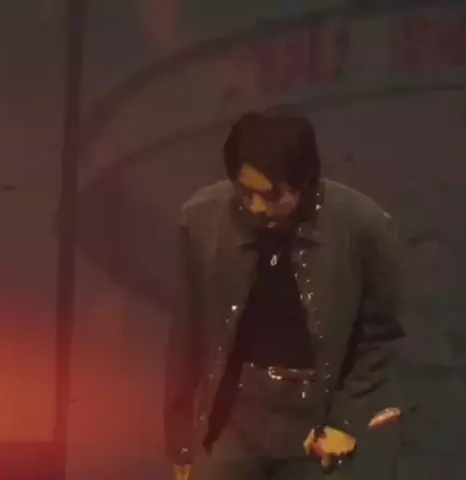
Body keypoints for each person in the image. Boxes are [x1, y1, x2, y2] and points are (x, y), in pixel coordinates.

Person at [164, 106, 407, 479]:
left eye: (269, 194)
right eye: (244, 193)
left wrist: (346, 420)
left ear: (305, 180)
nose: (255, 206)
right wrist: (180, 439)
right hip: (233, 412)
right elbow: (187, 332)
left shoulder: (362, 226)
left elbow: (380, 338)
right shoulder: (202, 219)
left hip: (317, 414)